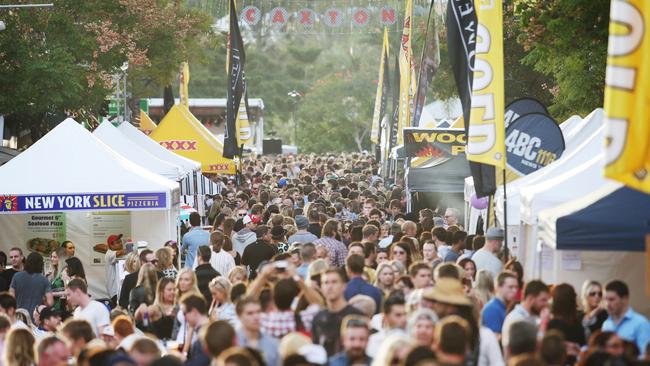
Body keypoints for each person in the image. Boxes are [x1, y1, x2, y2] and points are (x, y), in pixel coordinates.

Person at [312, 268, 363, 356]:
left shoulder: (356, 316)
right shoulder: (318, 318)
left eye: (334, 282)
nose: (330, 286)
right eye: (326, 283)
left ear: (344, 286)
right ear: (321, 288)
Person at [602, 280, 650, 356]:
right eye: (605, 299)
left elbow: (644, 356)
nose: (607, 304)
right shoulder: (606, 324)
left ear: (624, 299)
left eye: (611, 299)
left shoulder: (641, 323)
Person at [502, 280, 550, 349]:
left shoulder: (533, 316)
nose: (546, 304)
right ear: (530, 299)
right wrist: (543, 324)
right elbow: (534, 347)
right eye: (543, 300)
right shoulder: (516, 319)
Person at [235, 297, 280, 366]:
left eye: (258, 312)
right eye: (250, 313)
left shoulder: (273, 343)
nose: (256, 317)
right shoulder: (232, 343)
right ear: (239, 316)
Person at [9, 252, 53, 317]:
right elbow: (50, 303)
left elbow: (11, 297)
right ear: (41, 264)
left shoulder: (16, 276)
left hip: (19, 316)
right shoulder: (44, 280)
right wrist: (43, 300)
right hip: (36, 317)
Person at [481, 271, 518, 337]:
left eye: (516, 287)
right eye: (510, 287)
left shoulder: (510, 306)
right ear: (498, 287)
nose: (514, 291)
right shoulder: (492, 309)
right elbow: (495, 338)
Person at [180, 294, 211, 366]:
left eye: (184, 313)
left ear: (194, 312)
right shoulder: (209, 329)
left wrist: (183, 361)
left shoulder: (204, 334)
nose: (184, 318)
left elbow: (201, 363)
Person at [105, 234, 126, 304]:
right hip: (114, 290)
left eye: (120, 241)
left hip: (120, 288)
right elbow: (119, 252)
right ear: (111, 245)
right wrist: (131, 248)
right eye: (117, 242)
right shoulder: (109, 254)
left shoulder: (120, 254)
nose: (120, 244)